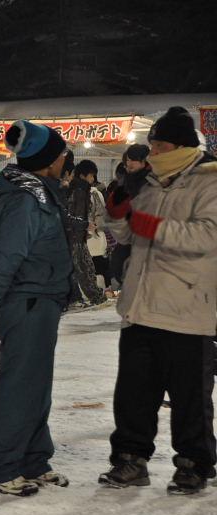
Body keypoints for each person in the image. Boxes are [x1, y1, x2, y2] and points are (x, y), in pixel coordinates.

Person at [99, 107, 217, 495]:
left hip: (187, 310)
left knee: (190, 398)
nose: (153, 153)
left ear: (182, 146)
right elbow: (132, 235)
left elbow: (208, 236)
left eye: (160, 145)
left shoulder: (209, 182)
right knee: (133, 393)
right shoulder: (148, 184)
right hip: (141, 306)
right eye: (151, 145)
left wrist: (156, 226)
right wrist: (117, 216)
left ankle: (193, 464)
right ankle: (130, 459)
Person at [0, 120, 73, 496]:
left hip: (41, 299)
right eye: (62, 154)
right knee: (19, 386)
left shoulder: (38, 192)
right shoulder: (26, 199)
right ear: (48, 160)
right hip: (27, 302)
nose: (66, 159)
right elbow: (6, 256)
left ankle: (33, 460)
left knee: (36, 387)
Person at [107, 145, 151, 292]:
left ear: (144, 161)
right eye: (128, 160)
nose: (129, 164)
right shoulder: (127, 182)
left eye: (133, 160)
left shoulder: (153, 181)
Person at [67, 160, 106, 306]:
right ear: (83, 175)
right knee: (84, 268)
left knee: (78, 268)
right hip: (77, 236)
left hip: (74, 235)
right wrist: (85, 225)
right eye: (91, 176)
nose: (93, 179)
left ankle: (77, 298)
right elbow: (77, 214)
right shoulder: (80, 190)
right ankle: (96, 297)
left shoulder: (73, 189)